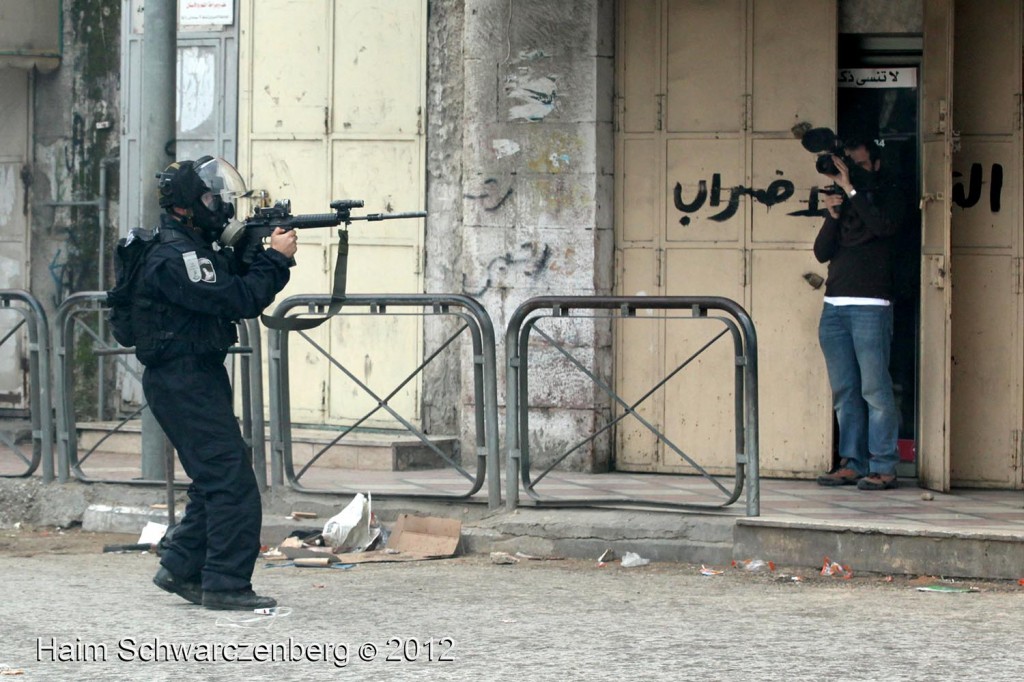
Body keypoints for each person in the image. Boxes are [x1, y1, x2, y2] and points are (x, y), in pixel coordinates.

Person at [138, 156, 297, 609]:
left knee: (216, 477)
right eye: (210, 198)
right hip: (180, 378)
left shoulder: (194, 247)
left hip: (196, 373)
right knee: (231, 482)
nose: (220, 205)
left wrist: (254, 252)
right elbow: (240, 298)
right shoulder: (175, 256)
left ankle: (181, 565)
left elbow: (232, 280)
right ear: (186, 206)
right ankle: (225, 583)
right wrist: (274, 261)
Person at [812, 138, 902, 491]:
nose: (848, 163)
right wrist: (832, 215)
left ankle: (883, 465)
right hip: (834, 306)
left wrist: (852, 190)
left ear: (876, 162)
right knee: (845, 390)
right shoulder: (845, 202)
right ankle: (852, 462)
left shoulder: (889, 193)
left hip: (871, 305)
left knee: (875, 390)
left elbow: (883, 227)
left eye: (857, 160)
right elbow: (822, 253)